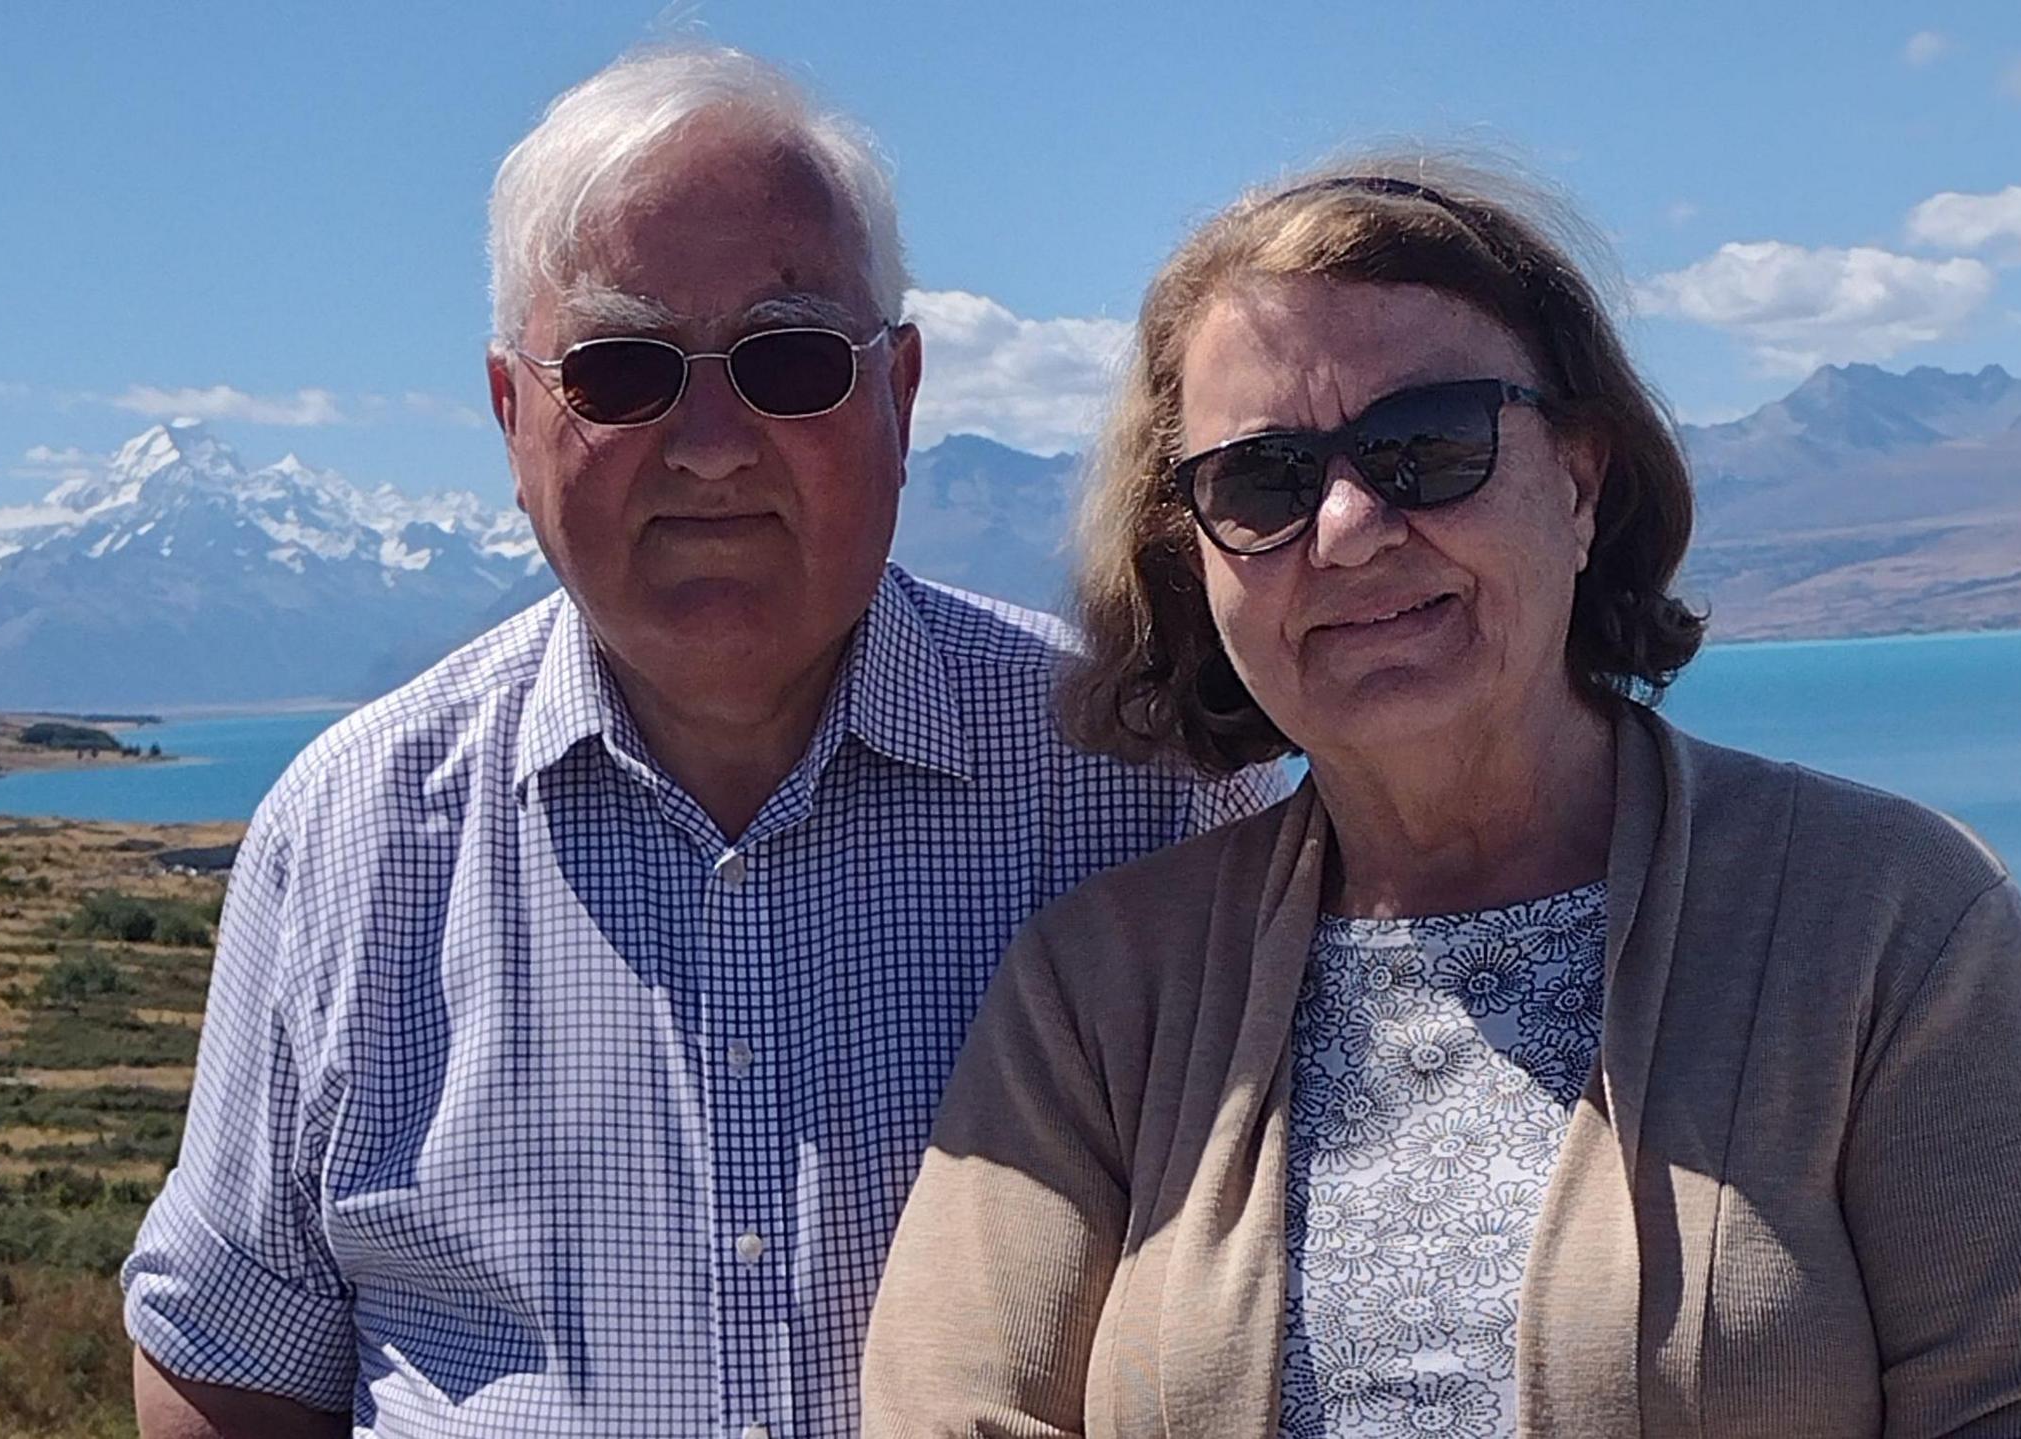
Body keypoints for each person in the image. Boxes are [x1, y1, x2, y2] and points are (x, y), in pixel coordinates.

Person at [861, 157, 2021, 1437]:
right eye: (1264, 480)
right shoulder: (1104, 994)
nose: (1351, 528)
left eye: (1429, 445)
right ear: (1191, 552)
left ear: (1581, 483)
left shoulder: (1889, 924)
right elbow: (951, 1408)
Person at [120, 47, 1276, 1439]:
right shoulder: (352, 834)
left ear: (900, 395)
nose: (713, 443)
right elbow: (229, 1364)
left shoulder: (1142, 793)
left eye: (789, 361)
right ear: (510, 416)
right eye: (623, 372)